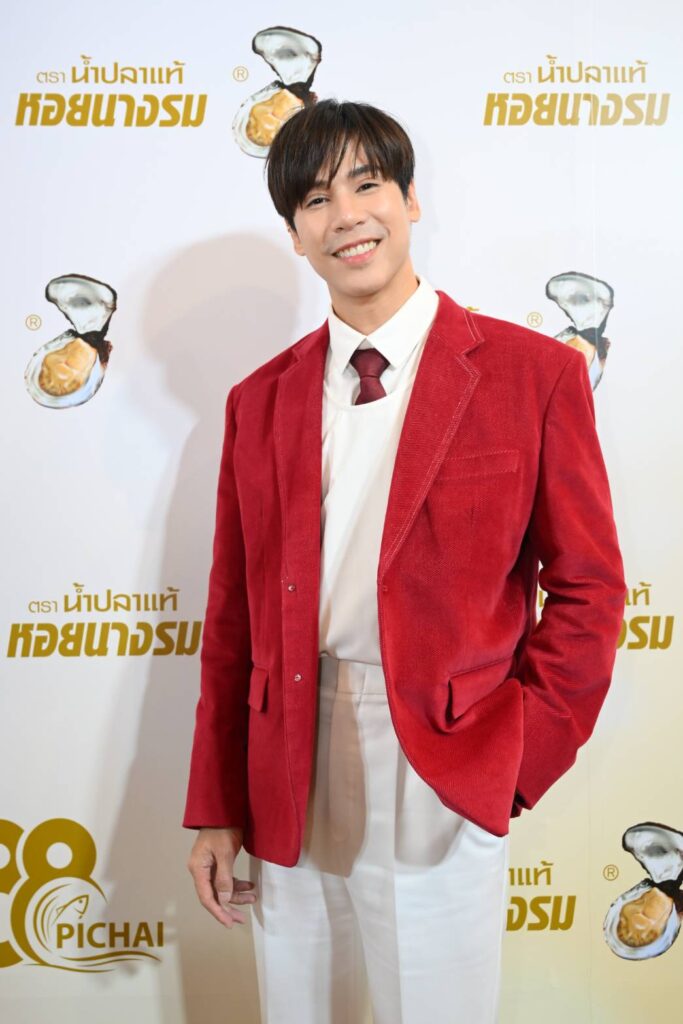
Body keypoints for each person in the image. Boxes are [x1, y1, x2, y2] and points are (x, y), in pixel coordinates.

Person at [183, 99, 627, 1022]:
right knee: (298, 1002)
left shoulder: (532, 373)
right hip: (285, 750)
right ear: (295, 233)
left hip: (444, 753)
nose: (346, 215)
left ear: (410, 199)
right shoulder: (257, 400)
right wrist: (218, 802)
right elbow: (232, 618)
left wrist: (515, 756)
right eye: (315, 199)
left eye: (367, 184)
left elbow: (588, 589)